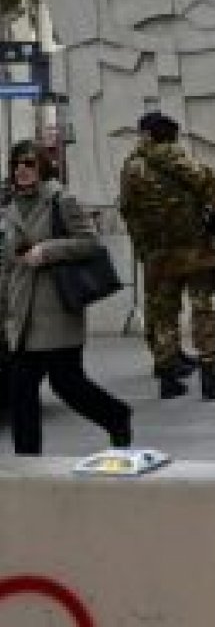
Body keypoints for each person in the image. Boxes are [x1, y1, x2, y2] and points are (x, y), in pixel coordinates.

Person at [2, 141, 132, 454]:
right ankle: (27, 461)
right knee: (21, 391)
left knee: (68, 385)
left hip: (56, 309)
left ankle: (115, 415)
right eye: (17, 164)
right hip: (22, 313)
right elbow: (6, 264)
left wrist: (48, 251)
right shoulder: (9, 207)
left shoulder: (62, 200)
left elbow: (90, 244)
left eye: (29, 163)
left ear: (42, 166)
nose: (22, 169)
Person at [119, 112, 215, 401]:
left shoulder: (132, 168)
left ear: (147, 135)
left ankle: (167, 379)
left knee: (164, 315)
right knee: (202, 308)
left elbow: (128, 210)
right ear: (172, 136)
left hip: (158, 254)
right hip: (196, 249)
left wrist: (142, 248)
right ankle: (210, 376)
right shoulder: (183, 161)